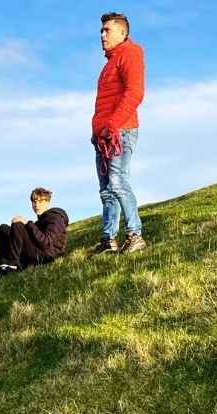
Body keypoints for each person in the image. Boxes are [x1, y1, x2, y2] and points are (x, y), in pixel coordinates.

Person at [92, 11, 146, 255]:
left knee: (117, 181)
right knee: (106, 189)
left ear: (122, 33)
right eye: (101, 30)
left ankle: (135, 234)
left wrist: (113, 125)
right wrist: (98, 132)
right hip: (103, 135)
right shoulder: (108, 65)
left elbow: (135, 93)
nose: (102, 34)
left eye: (107, 30)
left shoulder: (131, 53)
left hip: (121, 131)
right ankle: (108, 239)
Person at [0, 187, 69, 277]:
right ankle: (4, 265)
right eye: (34, 202)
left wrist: (27, 223)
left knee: (18, 225)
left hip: (48, 255)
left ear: (47, 202)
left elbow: (46, 242)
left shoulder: (55, 218)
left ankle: (13, 265)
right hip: (38, 251)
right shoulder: (40, 221)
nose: (36, 205)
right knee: (3, 229)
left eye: (40, 201)